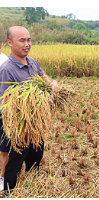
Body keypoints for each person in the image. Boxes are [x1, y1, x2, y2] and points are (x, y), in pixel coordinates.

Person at [0, 26, 59, 192]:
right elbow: (5, 104)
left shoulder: (33, 63)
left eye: (29, 40)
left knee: (35, 158)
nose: (27, 44)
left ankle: (31, 189)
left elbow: (43, 78)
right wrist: (28, 103)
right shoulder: (6, 70)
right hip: (17, 129)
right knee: (13, 164)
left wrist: (51, 83)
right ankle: (8, 192)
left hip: (36, 127)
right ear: (10, 43)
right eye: (22, 40)